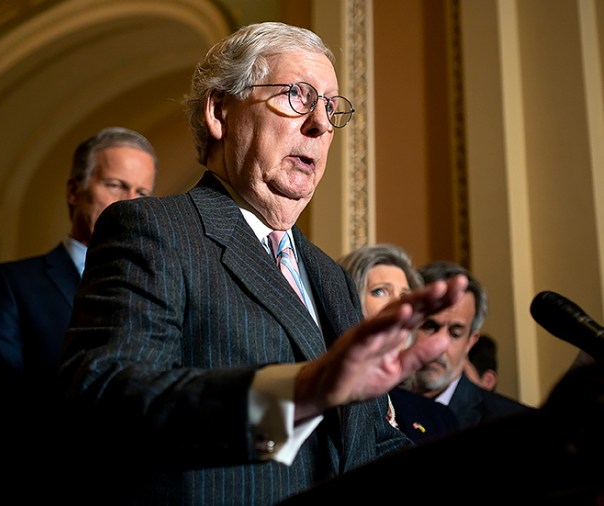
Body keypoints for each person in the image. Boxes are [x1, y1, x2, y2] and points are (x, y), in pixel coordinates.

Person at [56, 21, 468, 504]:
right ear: (219, 111)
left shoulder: (331, 277)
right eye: (297, 95)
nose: (319, 123)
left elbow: (364, 443)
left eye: (331, 107)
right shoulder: (155, 229)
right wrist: (300, 392)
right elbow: (106, 398)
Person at [0, 127, 157, 504]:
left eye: (142, 193)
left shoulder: (160, 294)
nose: (131, 204)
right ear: (74, 191)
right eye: (116, 185)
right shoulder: (10, 285)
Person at [338, 243, 460, 443]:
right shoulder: (320, 407)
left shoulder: (439, 419)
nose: (400, 304)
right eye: (380, 291)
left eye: (405, 295)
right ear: (345, 303)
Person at [404, 261, 533, 429]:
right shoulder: (374, 404)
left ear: (470, 341)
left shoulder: (518, 424)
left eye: (455, 333)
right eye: (429, 326)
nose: (440, 345)